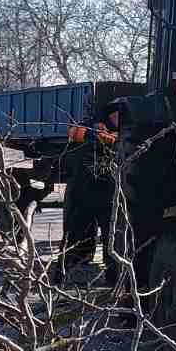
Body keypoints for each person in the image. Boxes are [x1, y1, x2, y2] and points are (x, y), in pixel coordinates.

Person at [53, 98, 129, 288]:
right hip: (82, 193)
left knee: (111, 239)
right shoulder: (91, 126)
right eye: (117, 114)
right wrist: (96, 135)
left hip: (108, 194)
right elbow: (73, 132)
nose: (119, 118)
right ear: (111, 113)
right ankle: (66, 279)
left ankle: (112, 280)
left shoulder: (125, 132)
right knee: (76, 236)